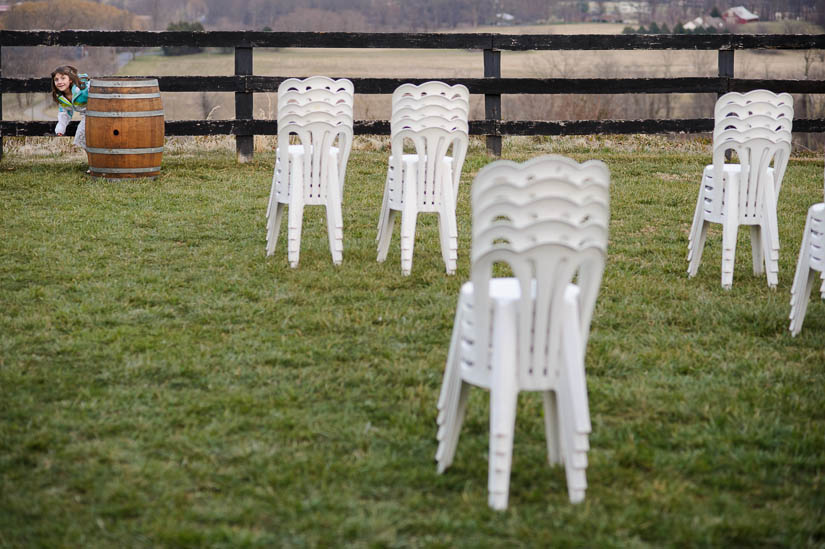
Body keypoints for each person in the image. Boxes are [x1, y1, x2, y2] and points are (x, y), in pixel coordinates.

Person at [51, 65, 90, 154]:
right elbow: (65, 112)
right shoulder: (62, 97)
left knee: (80, 136)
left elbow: (95, 88)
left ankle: (96, 162)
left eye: (63, 78)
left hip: (97, 112)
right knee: (83, 140)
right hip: (86, 115)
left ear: (70, 80)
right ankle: (93, 162)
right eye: (56, 80)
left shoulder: (82, 89)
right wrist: (61, 128)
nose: (59, 82)